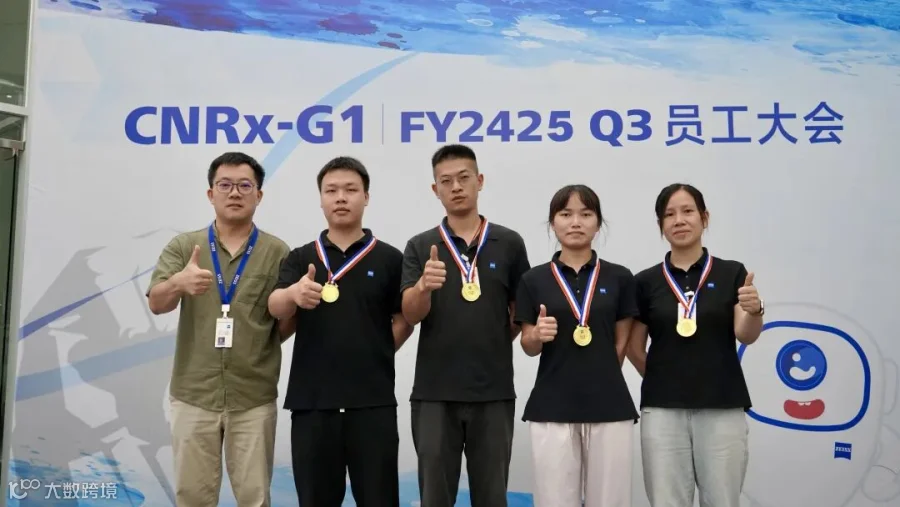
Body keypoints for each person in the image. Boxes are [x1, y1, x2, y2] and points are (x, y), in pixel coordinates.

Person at [146, 151, 291, 507]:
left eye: (245, 185)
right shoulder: (185, 247)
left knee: (255, 498)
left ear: (259, 194)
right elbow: (157, 303)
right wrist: (178, 282)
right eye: (225, 185)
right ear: (211, 194)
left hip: (253, 396)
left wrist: (258, 344)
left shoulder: (277, 252)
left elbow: (287, 319)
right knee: (192, 497)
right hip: (194, 393)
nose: (235, 193)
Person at [267, 156, 413, 507]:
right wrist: (293, 294)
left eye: (351, 190)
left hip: (372, 404)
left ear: (366, 197)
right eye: (331, 191)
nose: (341, 198)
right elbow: (274, 306)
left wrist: (377, 349)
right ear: (321, 199)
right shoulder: (301, 258)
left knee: (379, 499)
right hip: (312, 405)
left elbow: (405, 318)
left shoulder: (390, 259)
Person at [400, 144, 531, 507]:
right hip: (434, 394)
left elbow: (519, 313)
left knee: (492, 497)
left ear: (480, 181)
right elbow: (410, 314)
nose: (456, 187)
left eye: (463, 178)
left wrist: (491, 339)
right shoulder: (421, 246)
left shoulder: (509, 243)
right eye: (446, 181)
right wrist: (423, 287)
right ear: (435, 189)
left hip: (493, 392)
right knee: (435, 497)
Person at [626, 183, 765, 507]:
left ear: (705, 218)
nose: (679, 220)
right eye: (669, 215)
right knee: (666, 500)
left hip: (722, 406)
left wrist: (754, 309)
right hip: (662, 411)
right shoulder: (646, 281)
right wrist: (664, 376)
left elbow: (745, 334)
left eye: (688, 211)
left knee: (722, 500)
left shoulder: (731, 273)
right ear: (660, 225)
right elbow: (634, 347)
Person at [515, 184, 639, 507]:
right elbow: (528, 344)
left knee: (611, 500)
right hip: (551, 406)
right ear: (552, 222)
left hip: (609, 405)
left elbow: (621, 343)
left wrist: (598, 378)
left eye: (585, 214)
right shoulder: (533, 280)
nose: (575, 222)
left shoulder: (620, 277)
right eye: (566, 214)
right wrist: (537, 334)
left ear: (598, 223)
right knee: (554, 500)